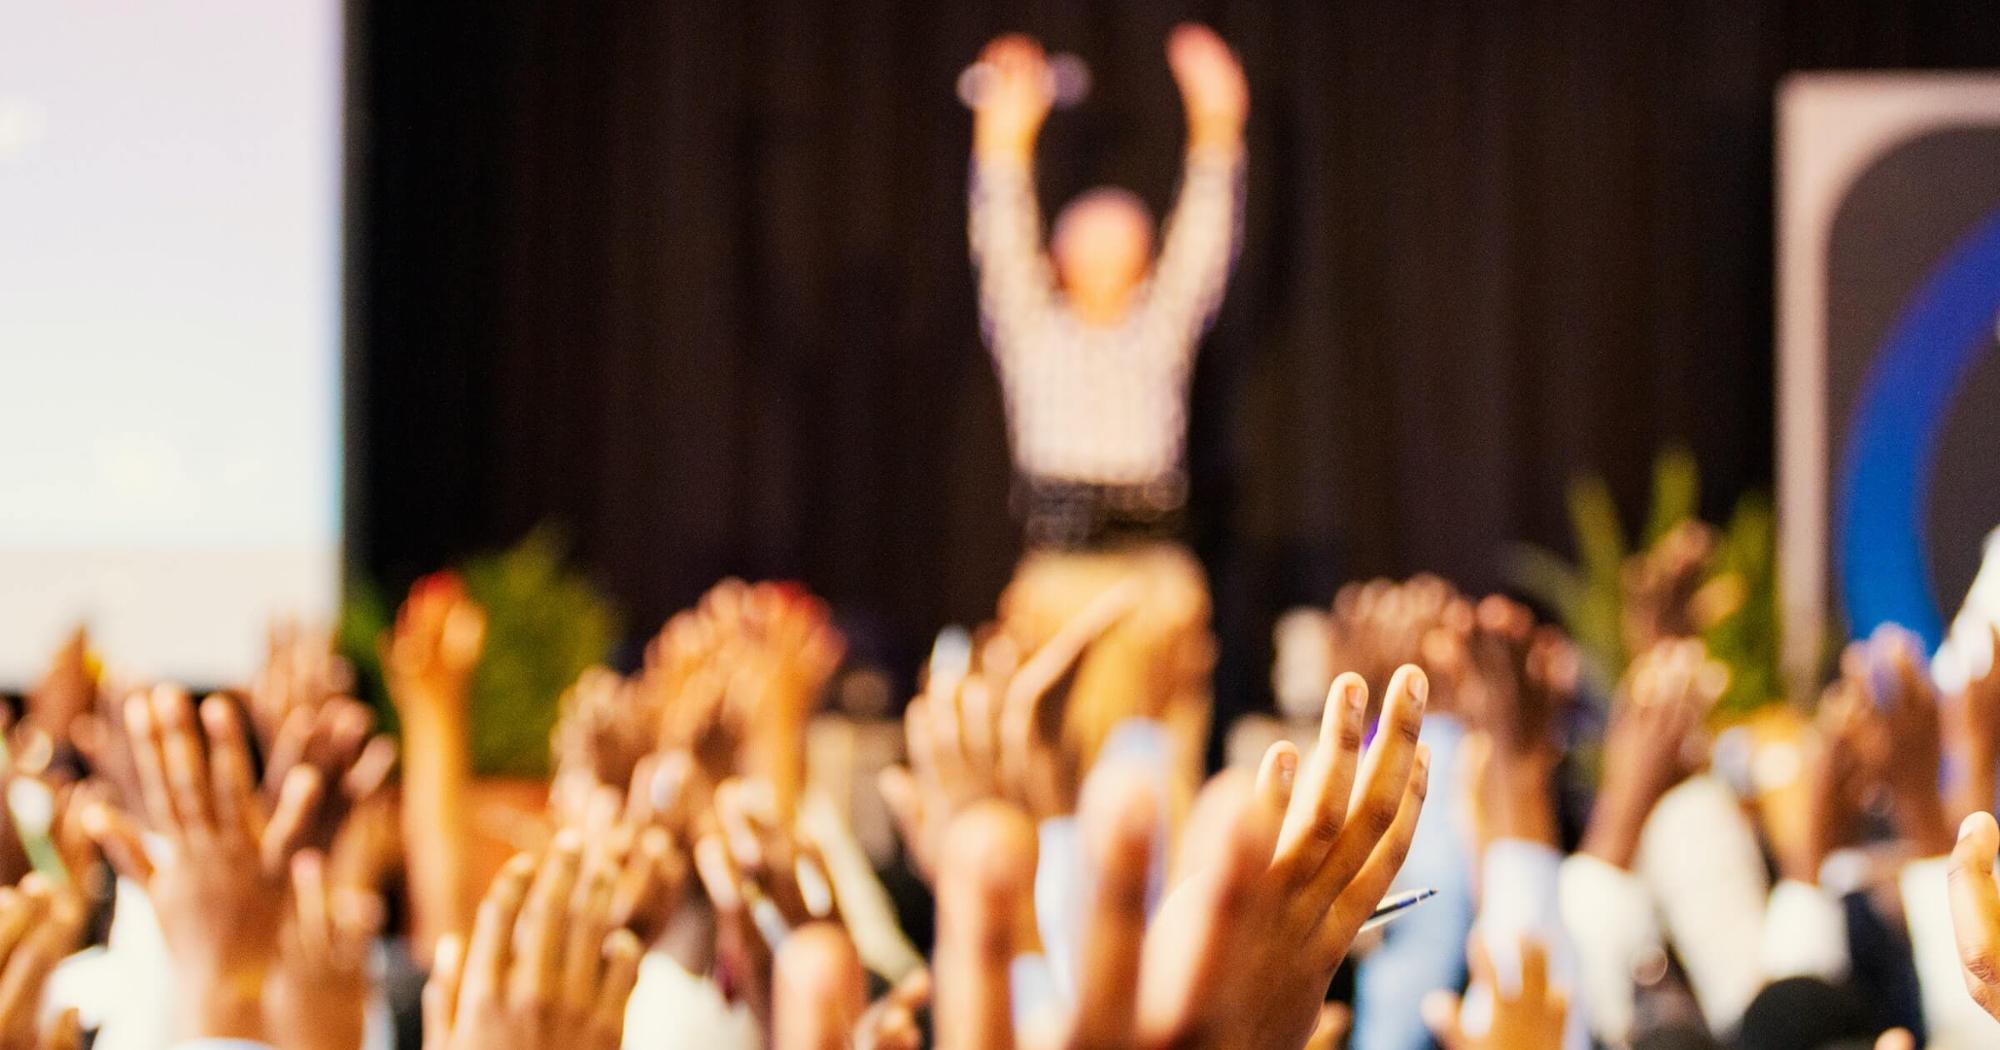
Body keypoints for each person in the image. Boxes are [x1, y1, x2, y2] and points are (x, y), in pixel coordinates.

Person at [965, 21, 1247, 820]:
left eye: (1126, 237)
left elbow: (1205, 242)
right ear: (1060, 260)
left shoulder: (1158, 331)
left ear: (1145, 257)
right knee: (1056, 775)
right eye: (1087, 239)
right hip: (1060, 573)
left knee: (1158, 785)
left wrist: (1218, 125)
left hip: (1153, 576)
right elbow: (1001, 237)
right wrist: (1003, 139)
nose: (1107, 248)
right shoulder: (1035, 331)